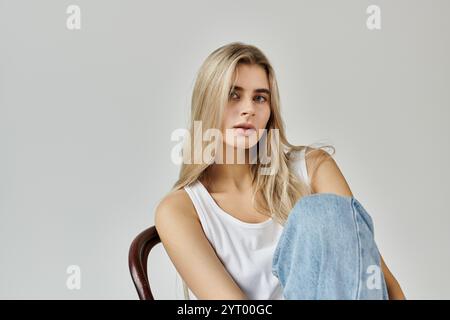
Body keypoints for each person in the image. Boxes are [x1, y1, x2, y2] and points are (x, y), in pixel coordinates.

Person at [154, 42, 405, 300]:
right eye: (233, 95)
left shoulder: (314, 168)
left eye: (260, 98)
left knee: (321, 211)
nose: (249, 109)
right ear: (208, 103)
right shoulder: (179, 210)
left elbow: (381, 281)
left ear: (270, 110)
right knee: (316, 211)